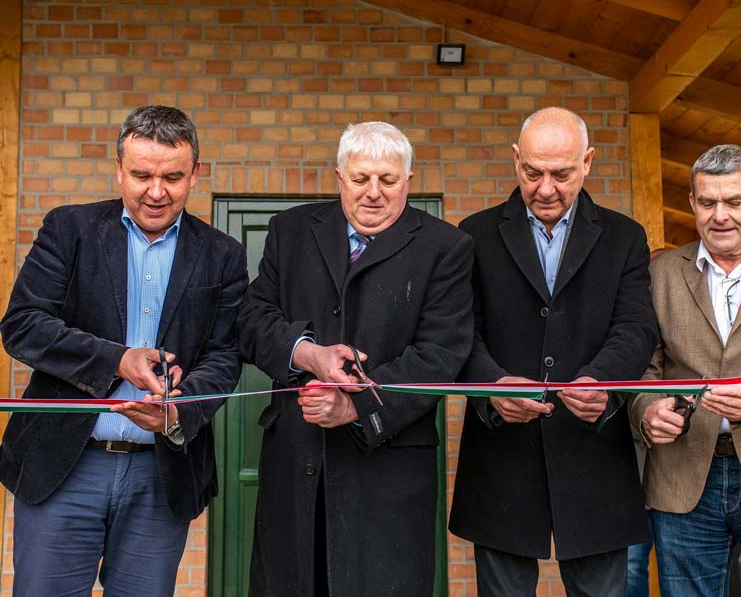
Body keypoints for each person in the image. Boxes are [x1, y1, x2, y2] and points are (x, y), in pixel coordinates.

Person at [0, 105, 248, 596]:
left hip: (161, 474)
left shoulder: (223, 253)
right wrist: (117, 359)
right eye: (141, 175)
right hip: (62, 466)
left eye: (173, 177)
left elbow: (224, 356)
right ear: (118, 169)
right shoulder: (68, 230)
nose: (156, 191)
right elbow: (22, 326)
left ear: (195, 174)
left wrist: (176, 410)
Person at [237, 121, 474, 597]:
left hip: (386, 473)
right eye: (361, 179)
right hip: (296, 462)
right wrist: (307, 354)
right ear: (339, 178)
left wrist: (356, 406)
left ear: (408, 180)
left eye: (388, 180)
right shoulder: (291, 231)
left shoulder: (445, 247)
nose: (373, 193)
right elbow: (251, 319)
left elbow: (440, 353)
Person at [449, 107, 659, 597]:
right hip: (500, 461)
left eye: (562, 174)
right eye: (532, 172)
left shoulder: (625, 237)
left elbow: (636, 326)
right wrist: (492, 387)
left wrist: (603, 382)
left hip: (594, 460)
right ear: (516, 160)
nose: (545, 188)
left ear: (587, 162)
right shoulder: (473, 234)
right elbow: (460, 332)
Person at [629, 143, 741, 596]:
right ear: (692, 203)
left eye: (734, 202)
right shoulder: (660, 274)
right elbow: (642, 370)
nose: (719, 215)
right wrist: (647, 411)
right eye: (707, 202)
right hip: (683, 481)